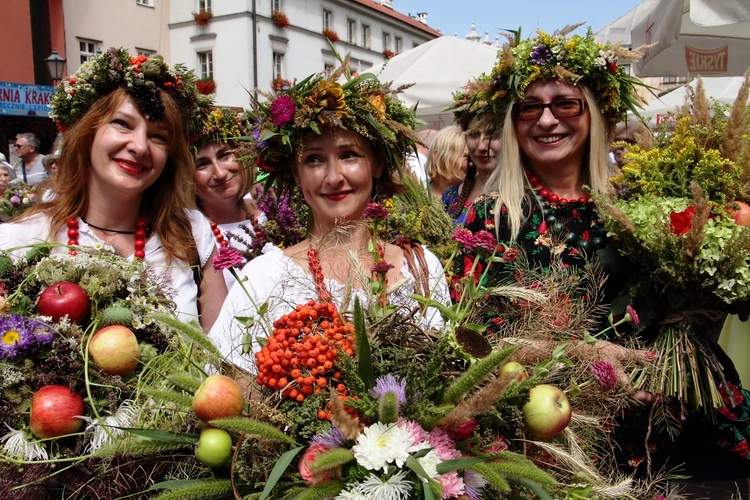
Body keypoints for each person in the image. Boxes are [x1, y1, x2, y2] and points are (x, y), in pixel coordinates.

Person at [209, 64, 451, 373]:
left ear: (376, 164)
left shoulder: (421, 269)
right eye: (314, 160)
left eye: (349, 155)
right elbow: (225, 389)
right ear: (297, 174)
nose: (334, 177)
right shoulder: (263, 279)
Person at [0, 48, 226, 330]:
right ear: (88, 132)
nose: (140, 146)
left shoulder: (191, 233)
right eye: (122, 124)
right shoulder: (23, 240)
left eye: (158, 136)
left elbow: (223, 356)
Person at [193, 107, 265, 290]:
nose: (219, 173)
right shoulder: (191, 234)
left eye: (224, 155)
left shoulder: (273, 215)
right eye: (202, 165)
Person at [443, 82, 501, 225]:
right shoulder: (450, 196)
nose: (481, 146)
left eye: (491, 134)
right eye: (474, 134)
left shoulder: (524, 198)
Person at [424, 124, 467, 199]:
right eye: (465, 156)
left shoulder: (475, 198)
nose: (472, 163)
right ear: (437, 157)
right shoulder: (415, 196)